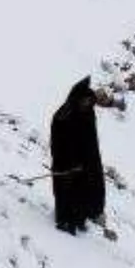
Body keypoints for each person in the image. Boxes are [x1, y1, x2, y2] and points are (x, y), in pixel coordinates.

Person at [49, 77, 105, 233]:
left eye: (89, 101)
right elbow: (57, 142)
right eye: (84, 100)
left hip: (86, 163)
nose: (87, 103)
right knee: (66, 191)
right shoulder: (63, 115)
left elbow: (91, 140)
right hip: (66, 163)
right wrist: (70, 163)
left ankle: (80, 219)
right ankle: (64, 221)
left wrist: (90, 162)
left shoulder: (88, 114)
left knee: (85, 191)